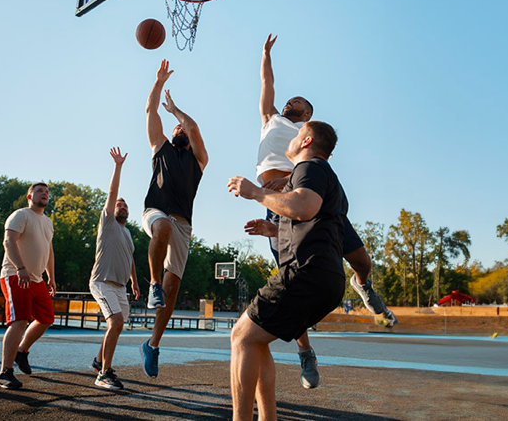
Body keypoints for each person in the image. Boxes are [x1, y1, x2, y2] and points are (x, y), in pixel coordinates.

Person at [254, 33, 397, 388]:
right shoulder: (271, 121)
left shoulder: (306, 142)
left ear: (308, 117)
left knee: (363, 260)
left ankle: (363, 286)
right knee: (293, 278)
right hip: (285, 203)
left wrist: (291, 180)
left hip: (313, 193)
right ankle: (305, 352)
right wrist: (266, 54)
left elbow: (312, 167)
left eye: (298, 101)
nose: (289, 102)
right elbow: (266, 83)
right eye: (289, 100)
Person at [228, 121, 347, 421]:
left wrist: (255, 192)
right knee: (256, 339)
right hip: (327, 278)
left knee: (240, 336)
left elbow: (304, 206)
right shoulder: (327, 180)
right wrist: (274, 228)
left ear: (306, 141)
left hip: (307, 273)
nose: (292, 138)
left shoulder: (310, 168)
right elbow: (314, 224)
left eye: (297, 134)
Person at [140, 59, 208, 378]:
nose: (180, 128)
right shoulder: (161, 147)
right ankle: (153, 283)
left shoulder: (199, 160)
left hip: (184, 224)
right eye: (176, 127)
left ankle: (152, 345)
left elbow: (192, 127)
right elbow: (150, 112)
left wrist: (177, 110)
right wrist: (157, 83)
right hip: (156, 213)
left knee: (174, 286)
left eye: (182, 128)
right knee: (162, 227)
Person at [0, 182, 57, 390]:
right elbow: (8, 241)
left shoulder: (47, 222)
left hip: (37, 280)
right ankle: (4, 372)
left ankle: (22, 351)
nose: (44, 194)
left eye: (46, 192)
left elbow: (49, 252)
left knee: (46, 318)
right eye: (39, 191)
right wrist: (20, 268)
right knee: (19, 321)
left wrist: (52, 277)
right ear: (29, 197)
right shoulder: (21, 215)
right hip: (15, 275)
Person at [88, 147, 140, 390]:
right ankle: (104, 374)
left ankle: (99, 362)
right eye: (119, 204)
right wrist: (118, 166)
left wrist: (136, 283)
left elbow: (130, 259)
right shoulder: (107, 222)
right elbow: (112, 192)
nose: (122, 206)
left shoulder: (128, 233)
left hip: (121, 287)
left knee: (116, 325)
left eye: (125, 205)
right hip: (102, 281)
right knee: (116, 322)